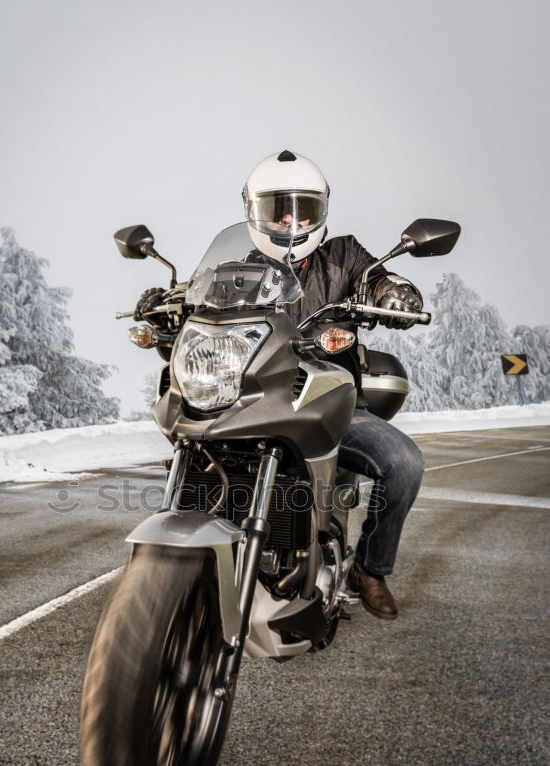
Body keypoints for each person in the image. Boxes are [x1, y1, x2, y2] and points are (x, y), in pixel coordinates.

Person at [135, 150, 425, 620]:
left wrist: (393, 292)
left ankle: (369, 568)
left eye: (302, 209)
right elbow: (198, 296)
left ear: (319, 213)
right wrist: (166, 302)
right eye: (278, 209)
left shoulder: (344, 255)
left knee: (404, 462)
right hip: (252, 399)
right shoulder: (237, 266)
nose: (290, 219)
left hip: (328, 402)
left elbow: (374, 278)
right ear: (254, 212)